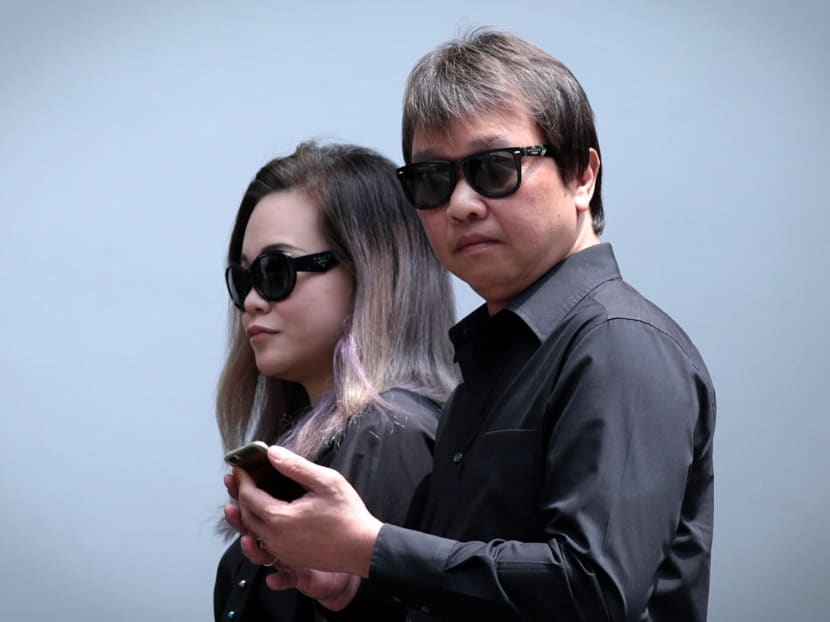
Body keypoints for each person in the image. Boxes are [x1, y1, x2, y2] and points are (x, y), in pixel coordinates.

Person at [226, 29, 716, 622]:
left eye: (494, 168)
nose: (460, 203)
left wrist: (372, 547)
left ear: (582, 175)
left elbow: (595, 592)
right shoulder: (490, 361)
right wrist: (354, 581)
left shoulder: (619, 342)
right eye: (432, 179)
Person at [213, 141, 459, 621]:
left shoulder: (388, 433)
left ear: (371, 269)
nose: (253, 302)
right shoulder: (347, 436)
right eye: (244, 280)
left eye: (275, 271)